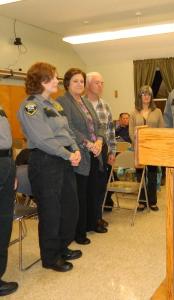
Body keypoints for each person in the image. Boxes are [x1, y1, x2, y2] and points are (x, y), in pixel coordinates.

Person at [17, 62, 82, 272]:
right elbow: (43, 139)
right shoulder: (31, 106)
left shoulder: (55, 105)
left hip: (63, 160)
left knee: (69, 207)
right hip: (45, 162)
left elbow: (67, 131)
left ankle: (62, 247)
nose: (57, 81)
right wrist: (68, 153)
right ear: (42, 81)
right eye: (53, 77)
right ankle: (50, 257)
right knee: (51, 212)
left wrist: (75, 149)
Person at [57, 68, 108, 245]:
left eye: (81, 81)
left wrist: (100, 141)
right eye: (75, 81)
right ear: (67, 84)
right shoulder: (62, 101)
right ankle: (78, 232)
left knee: (93, 191)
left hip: (95, 152)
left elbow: (99, 124)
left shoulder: (85, 101)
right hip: (79, 153)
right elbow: (69, 128)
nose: (79, 84)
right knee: (80, 195)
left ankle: (92, 223)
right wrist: (88, 143)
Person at [84, 72, 117, 211]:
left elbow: (111, 130)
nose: (100, 86)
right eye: (97, 82)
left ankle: (98, 215)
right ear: (88, 84)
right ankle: (90, 218)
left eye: (102, 83)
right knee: (88, 187)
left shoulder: (105, 105)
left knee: (101, 185)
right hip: (86, 151)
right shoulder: (81, 104)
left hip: (103, 151)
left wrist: (112, 151)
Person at [129, 85, 164, 211]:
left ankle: (153, 201)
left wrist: (157, 144)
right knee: (140, 176)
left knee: (153, 175)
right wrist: (137, 144)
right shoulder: (133, 112)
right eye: (144, 94)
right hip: (139, 148)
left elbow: (161, 130)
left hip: (153, 148)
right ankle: (142, 201)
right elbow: (130, 131)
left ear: (151, 97)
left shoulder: (158, 112)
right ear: (140, 96)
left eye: (148, 94)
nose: (146, 96)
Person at [0, 104, 18, 296]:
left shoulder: (2, 107)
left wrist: (12, 169)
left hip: (5, 165)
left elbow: (8, 141)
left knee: (4, 224)